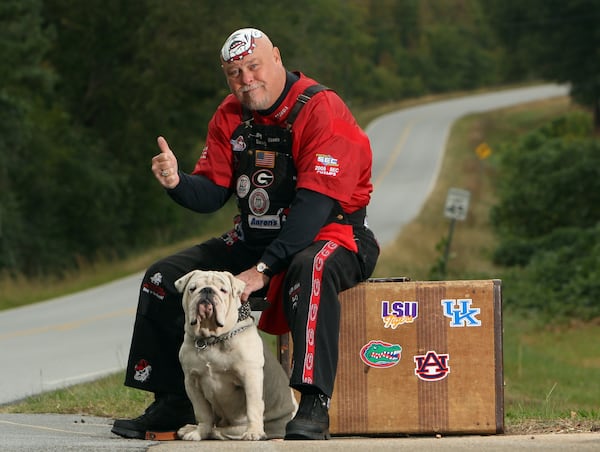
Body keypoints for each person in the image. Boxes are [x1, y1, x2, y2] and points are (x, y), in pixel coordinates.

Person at [111, 27, 379, 441]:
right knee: (164, 278)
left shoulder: (321, 108)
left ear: (276, 57)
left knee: (312, 269)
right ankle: (174, 400)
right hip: (254, 236)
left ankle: (312, 403)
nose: (246, 80)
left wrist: (263, 269)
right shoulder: (230, 115)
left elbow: (313, 208)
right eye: (234, 73)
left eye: (253, 66)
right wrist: (176, 182)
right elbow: (212, 191)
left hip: (331, 234)